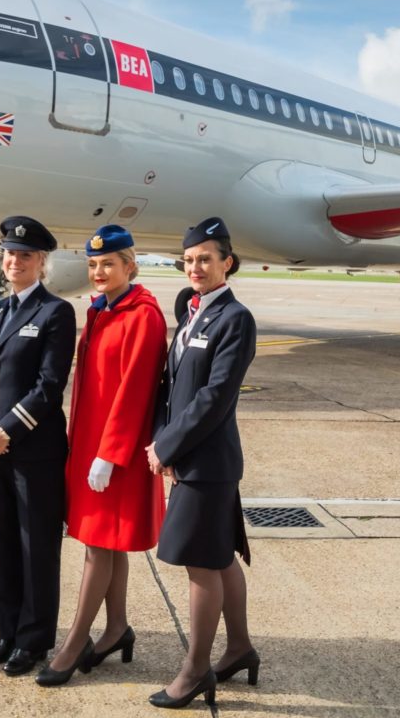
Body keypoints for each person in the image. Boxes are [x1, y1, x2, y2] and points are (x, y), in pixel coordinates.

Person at [36, 224, 167, 687]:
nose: (98, 272)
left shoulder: (142, 315)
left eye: (108, 264)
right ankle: (116, 628)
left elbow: (135, 392)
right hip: (93, 447)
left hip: (116, 454)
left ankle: (73, 643)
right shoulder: (103, 310)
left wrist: (109, 455)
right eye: (92, 265)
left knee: (99, 544)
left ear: (129, 266)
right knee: (107, 542)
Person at [145, 217, 258, 710]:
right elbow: (172, 390)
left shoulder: (235, 319)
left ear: (227, 263)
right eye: (189, 260)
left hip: (208, 462)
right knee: (220, 555)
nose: (195, 267)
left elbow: (214, 398)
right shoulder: (192, 314)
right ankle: (238, 648)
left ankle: (195, 671)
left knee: (200, 564)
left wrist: (166, 447)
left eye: (206, 259)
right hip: (196, 460)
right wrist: (161, 438)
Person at [0, 216, 76, 677]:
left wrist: (7, 429)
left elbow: (49, 385)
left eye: (25, 255)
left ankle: (33, 640)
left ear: (42, 263)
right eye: (10, 253)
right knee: (3, 544)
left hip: (33, 451)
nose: (15, 261)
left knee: (37, 548)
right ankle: (8, 630)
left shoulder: (55, 312)